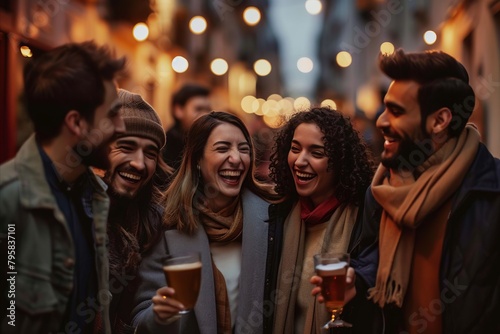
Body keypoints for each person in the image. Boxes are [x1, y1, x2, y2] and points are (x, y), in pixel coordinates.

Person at [316, 49, 500, 334]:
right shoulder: (381, 189)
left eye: (397, 111)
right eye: (385, 107)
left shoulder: (492, 190)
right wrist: (358, 281)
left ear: (439, 121)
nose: (381, 122)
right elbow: (371, 256)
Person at [0, 41, 126, 334]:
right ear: (76, 122)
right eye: (112, 115)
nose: (121, 126)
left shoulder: (93, 195)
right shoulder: (8, 199)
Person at [132, 111, 284, 333]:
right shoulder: (167, 224)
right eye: (223, 148)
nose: (236, 158)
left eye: (243, 149)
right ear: (197, 161)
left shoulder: (272, 218)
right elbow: (141, 315)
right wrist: (160, 316)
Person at [268, 107, 374, 333]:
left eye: (316, 153)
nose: (299, 162)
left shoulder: (366, 216)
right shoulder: (279, 215)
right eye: (295, 149)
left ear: (340, 163)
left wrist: (361, 283)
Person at [95, 89, 172, 333]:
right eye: (126, 146)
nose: (139, 163)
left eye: (150, 153)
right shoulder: (64, 212)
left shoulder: (154, 224)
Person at [162, 83, 211, 170]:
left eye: (208, 110)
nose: (205, 115)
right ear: (178, 110)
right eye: (198, 109)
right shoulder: (165, 147)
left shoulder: (209, 142)